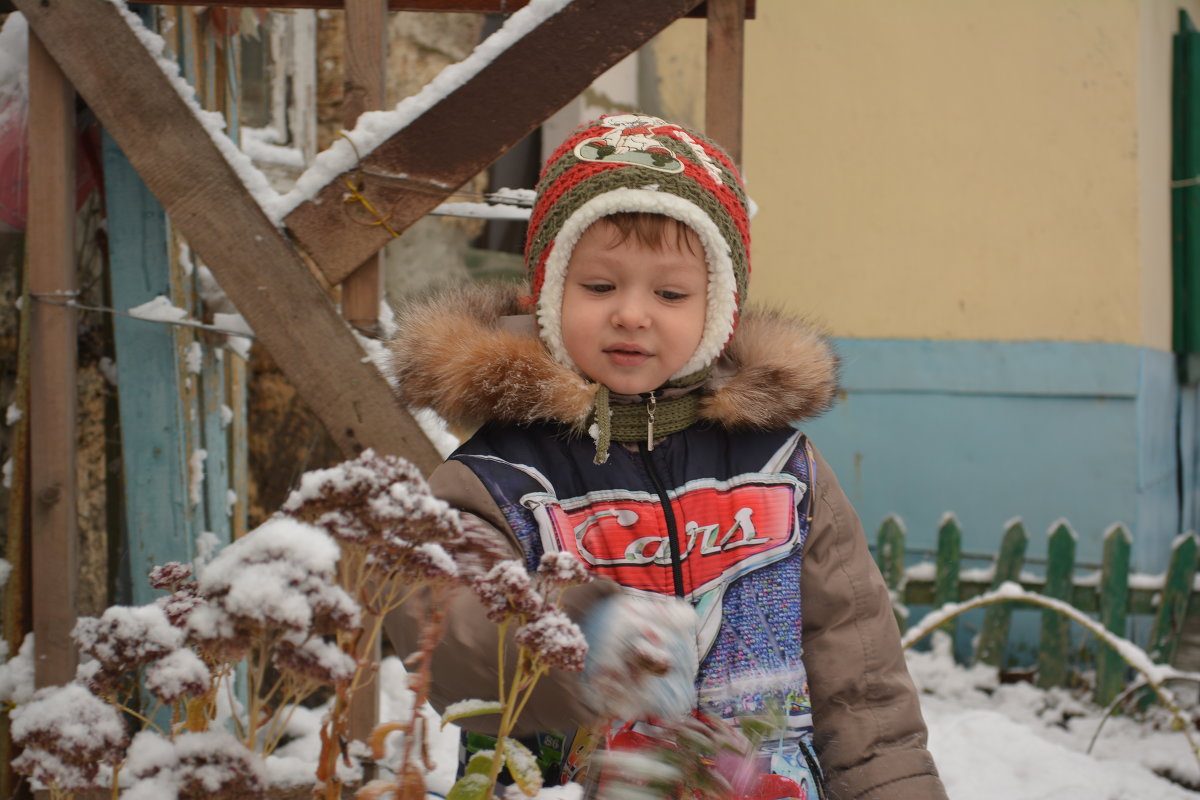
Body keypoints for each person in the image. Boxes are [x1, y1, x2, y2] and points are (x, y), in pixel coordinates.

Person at [384, 113, 947, 800]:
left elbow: (860, 681)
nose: (631, 314)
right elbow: (435, 611)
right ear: (546, 295)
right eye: (598, 287)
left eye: (671, 293)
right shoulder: (501, 476)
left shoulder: (781, 467)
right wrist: (577, 639)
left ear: (719, 313)